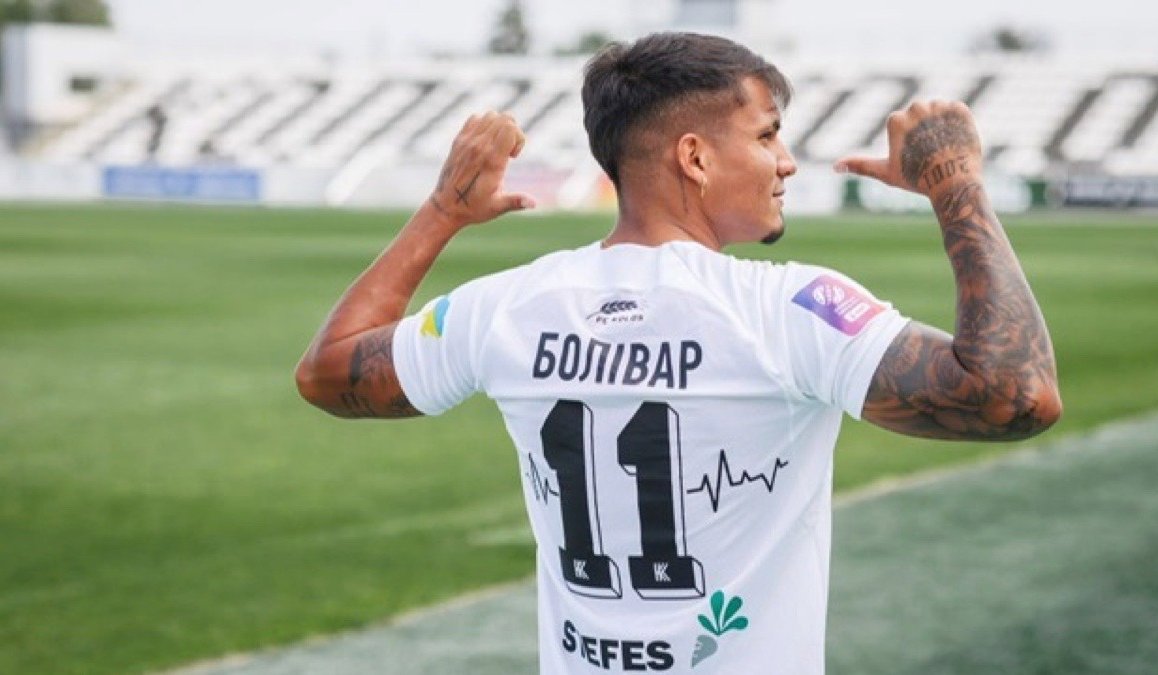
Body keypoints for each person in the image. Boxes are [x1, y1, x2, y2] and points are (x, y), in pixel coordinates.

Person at [295, 32, 1061, 675]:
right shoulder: (787, 309)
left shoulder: (508, 305)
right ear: (694, 157)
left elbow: (328, 372)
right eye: (766, 135)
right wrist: (955, 181)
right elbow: (1016, 395)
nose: (786, 161)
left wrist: (443, 211)